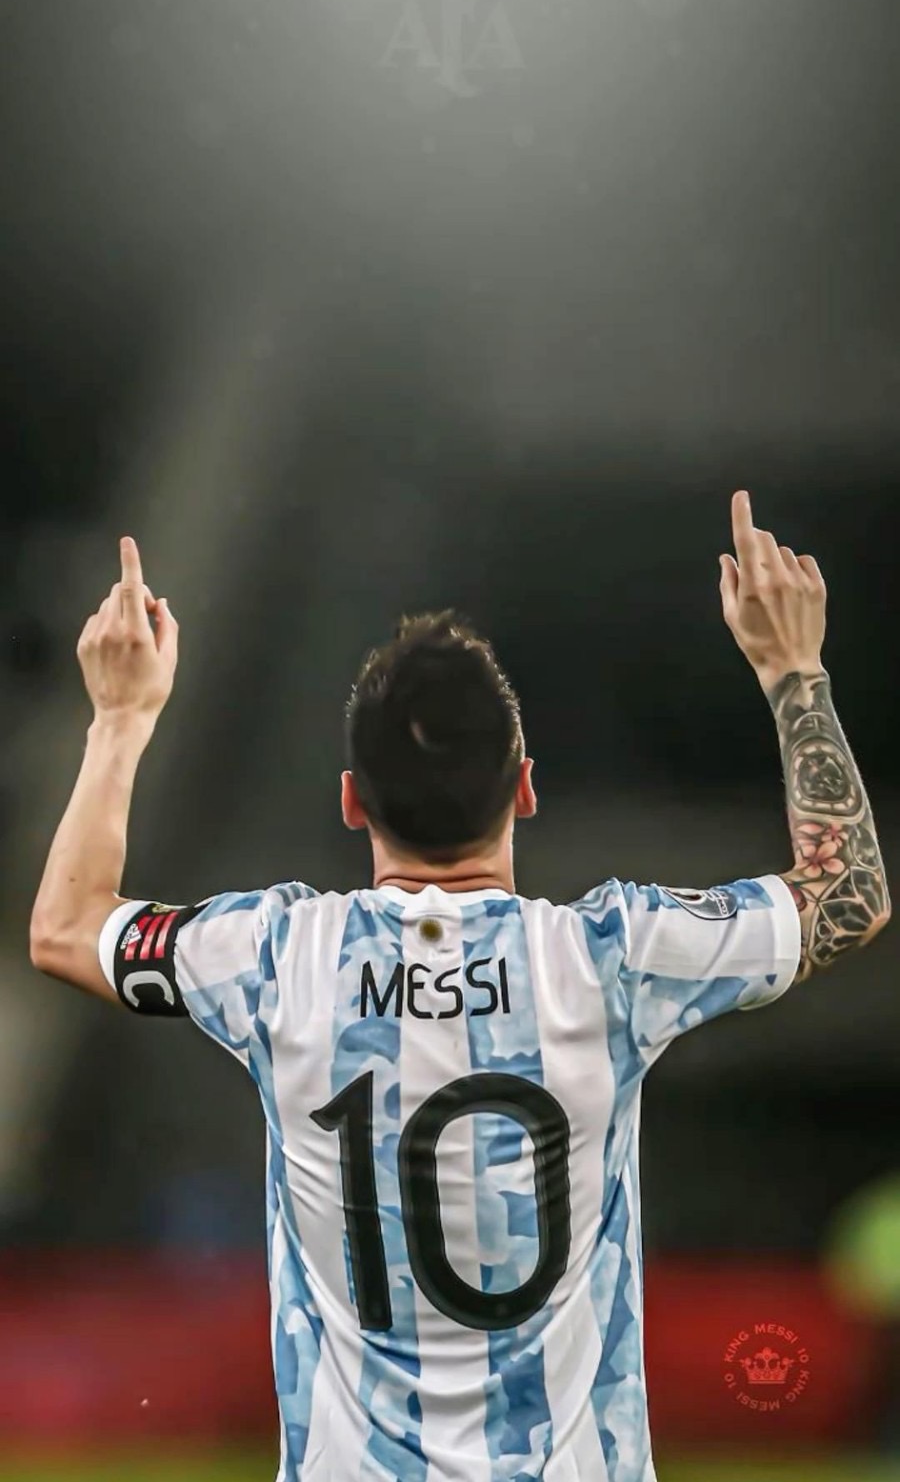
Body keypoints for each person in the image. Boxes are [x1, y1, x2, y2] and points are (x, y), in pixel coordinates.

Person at [30, 490, 890, 1482]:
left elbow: (66, 928)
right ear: (525, 787)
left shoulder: (274, 957)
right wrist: (793, 670)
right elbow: (848, 895)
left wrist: (121, 718)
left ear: (351, 803)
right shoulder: (609, 958)